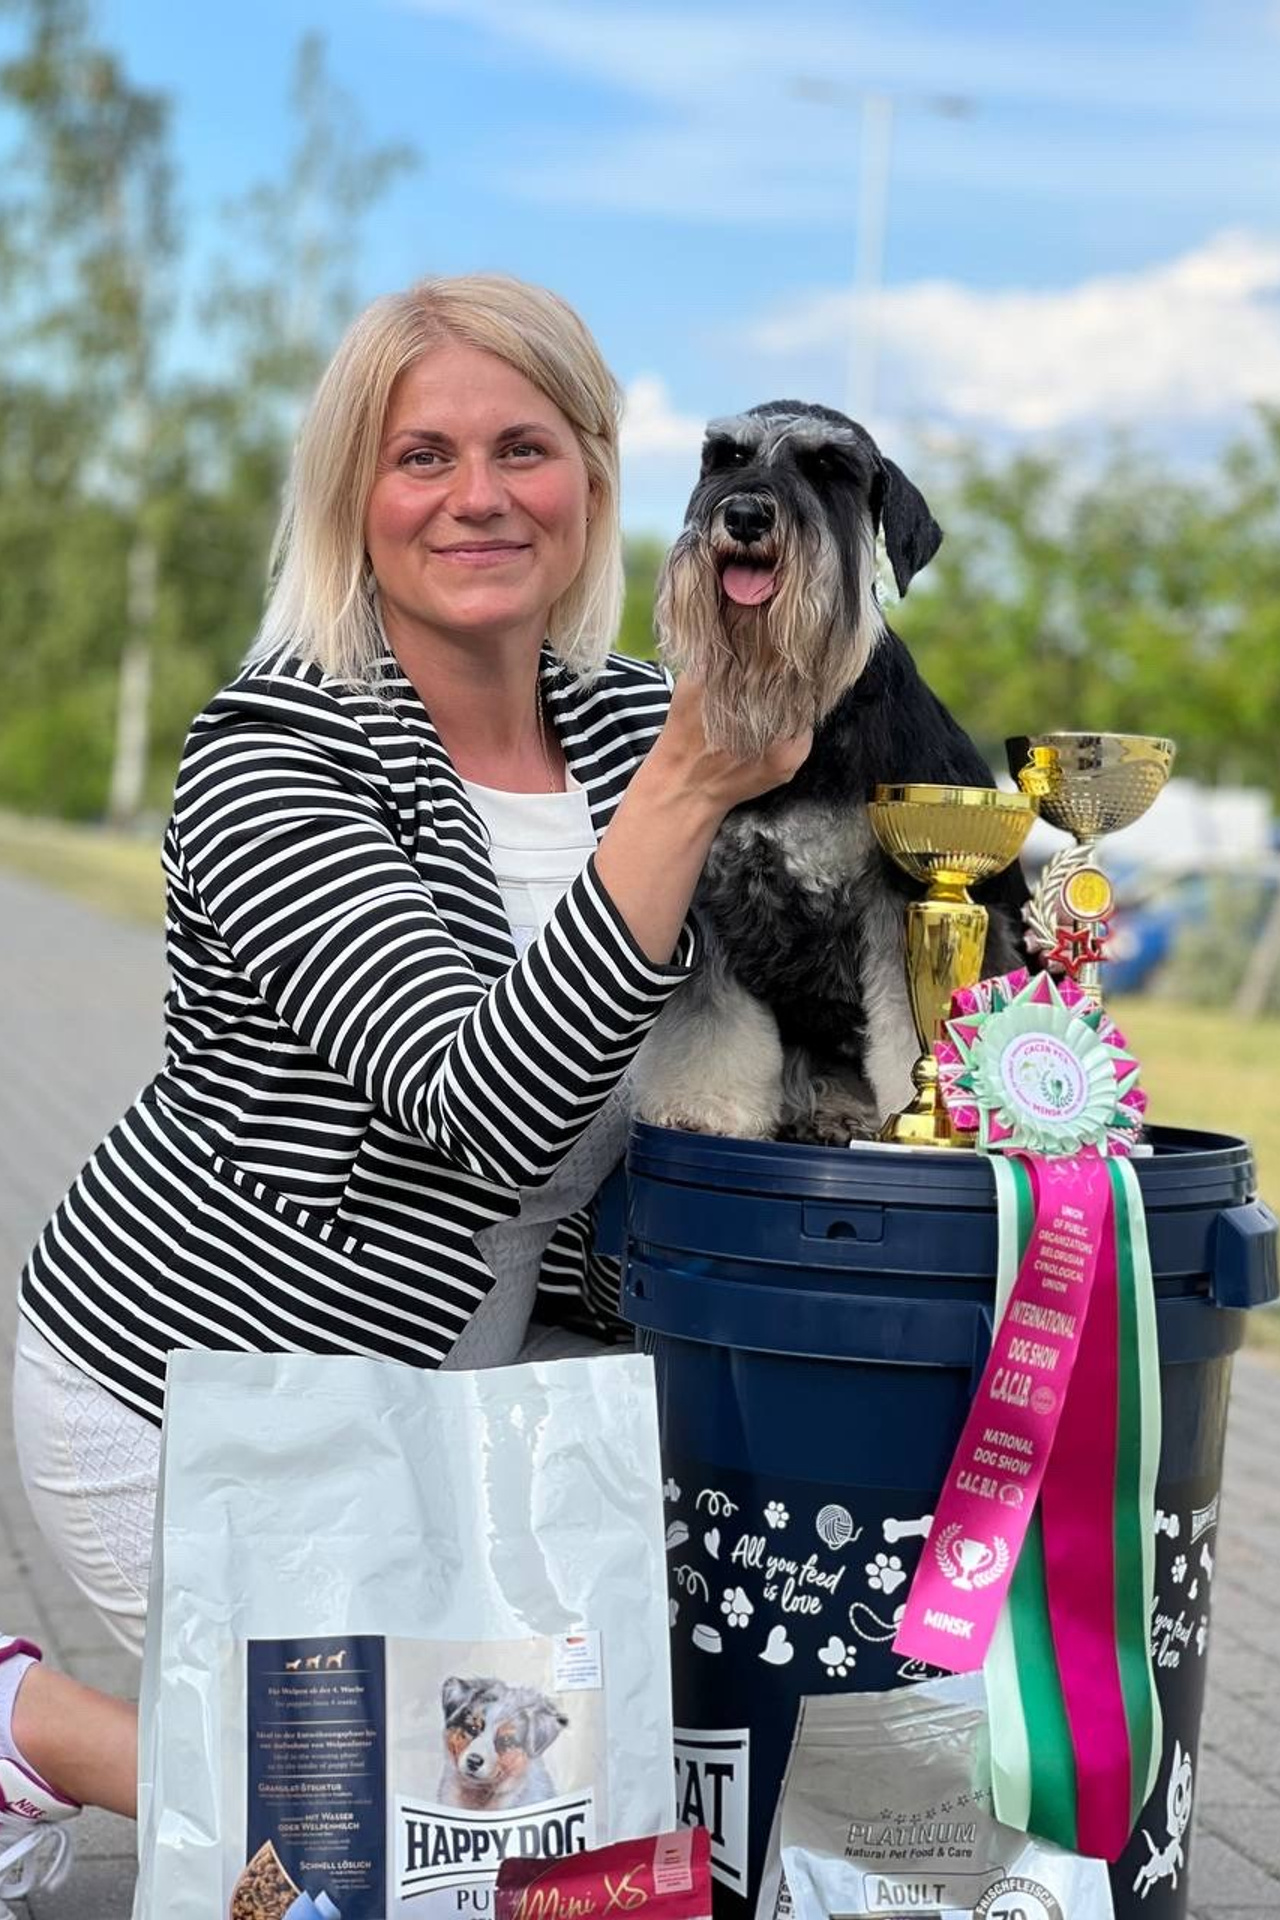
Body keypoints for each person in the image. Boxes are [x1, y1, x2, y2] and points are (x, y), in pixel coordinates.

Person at [0, 272, 810, 1902]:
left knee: (519, 1815)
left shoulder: (630, 717)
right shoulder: (269, 749)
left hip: (461, 1403)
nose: (479, 496)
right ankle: (34, 1733)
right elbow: (484, 1108)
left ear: (591, 473)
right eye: (420, 455)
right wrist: (685, 795)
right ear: (349, 496)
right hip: (200, 1398)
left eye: (524, 446)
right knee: (399, 1834)